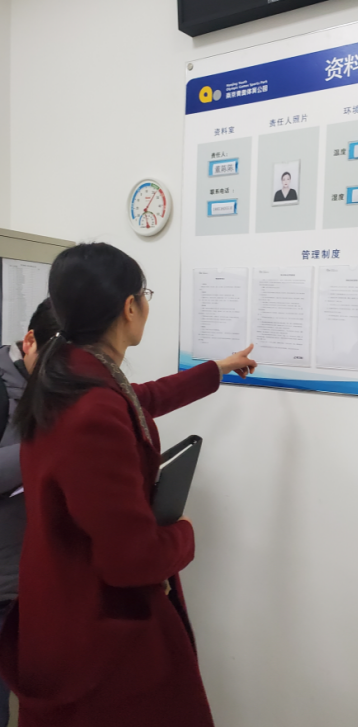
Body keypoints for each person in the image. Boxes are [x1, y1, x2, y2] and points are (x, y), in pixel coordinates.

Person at [0, 242, 257, 727]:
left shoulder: (66, 376)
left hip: (58, 608)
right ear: (130, 306)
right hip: (97, 633)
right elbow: (131, 559)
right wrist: (184, 533)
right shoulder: (91, 408)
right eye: (146, 295)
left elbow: (141, 398)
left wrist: (216, 370)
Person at [0, 299, 59, 727]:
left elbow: (141, 396)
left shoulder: (56, 390)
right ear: (29, 341)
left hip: (31, 581)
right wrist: (48, 450)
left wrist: (215, 369)